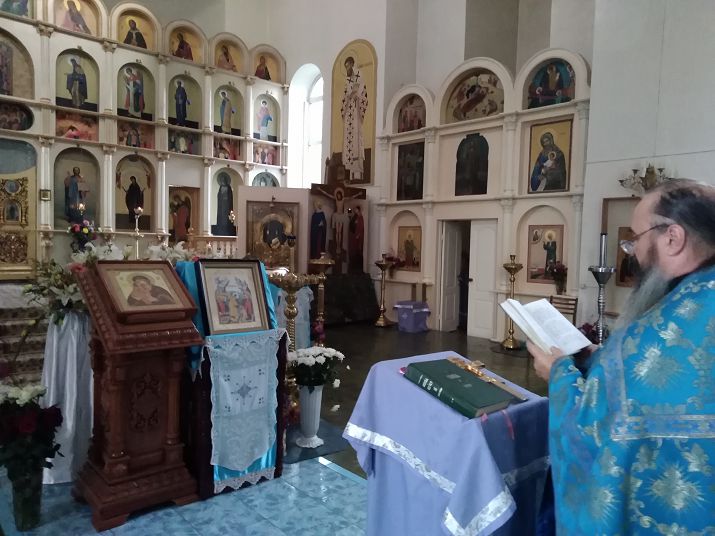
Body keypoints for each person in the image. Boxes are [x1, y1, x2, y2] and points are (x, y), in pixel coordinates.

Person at [527, 179, 715, 535]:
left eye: (635, 239)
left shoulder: (664, 326)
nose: (632, 252)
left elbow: (597, 434)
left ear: (672, 238)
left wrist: (559, 374)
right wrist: (597, 358)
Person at [341, 56, 368, 182]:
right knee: (348, 139)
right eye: (345, 66)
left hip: (356, 110)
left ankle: (357, 172)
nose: (347, 68)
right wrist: (348, 97)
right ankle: (349, 171)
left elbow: (361, 90)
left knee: (356, 139)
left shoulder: (358, 75)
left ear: (352, 64)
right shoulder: (347, 80)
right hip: (349, 112)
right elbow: (345, 95)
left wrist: (355, 93)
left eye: (348, 65)